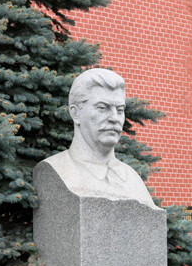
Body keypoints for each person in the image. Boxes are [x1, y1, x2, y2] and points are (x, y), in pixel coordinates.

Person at [36, 67, 153, 205]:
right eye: (102, 108)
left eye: (120, 110)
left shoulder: (133, 180)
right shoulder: (55, 170)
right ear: (76, 113)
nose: (115, 118)